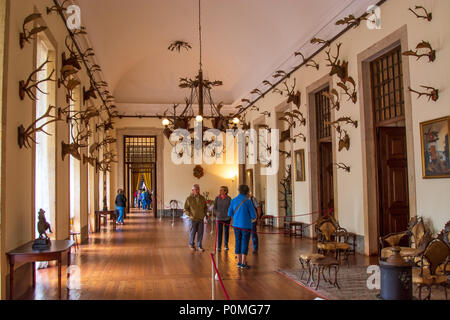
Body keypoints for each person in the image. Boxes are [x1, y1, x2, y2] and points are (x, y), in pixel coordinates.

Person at [228, 185, 256, 270]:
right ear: (247, 191)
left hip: (236, 225)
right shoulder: (248, 201)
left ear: (239, 191)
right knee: (245, 242)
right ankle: (243, 263)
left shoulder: (233, 200)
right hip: (246, 225)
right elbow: (253, 215)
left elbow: (229, 213)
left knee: (238, 241)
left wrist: (237, 216)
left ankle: (238, 262)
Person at [184, 184, 208, 252]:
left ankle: (199, 246)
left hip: (200, 219)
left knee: (200, 233)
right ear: (192, 190)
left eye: (198, 189)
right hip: (193, 219)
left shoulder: (202, 198)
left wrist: (204, 214)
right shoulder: (189, 198)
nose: (197, 191)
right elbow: (185, 209)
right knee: (193, 232)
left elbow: (205, 207)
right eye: (196, 189)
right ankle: (191, 244)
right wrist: (190, 215)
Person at [213, 186, 232, 251]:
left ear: (225, 191)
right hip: (219, 218)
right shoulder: (217, 198)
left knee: (226, 232)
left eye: (221, 190)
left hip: (227, 218)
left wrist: (230, 215)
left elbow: (231, 208)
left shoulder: (229, 198)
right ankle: (219, 246)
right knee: (219, 232)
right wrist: (217, 213)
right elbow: (214, 208)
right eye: (220, 190)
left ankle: (226, 245)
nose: (220, 191)